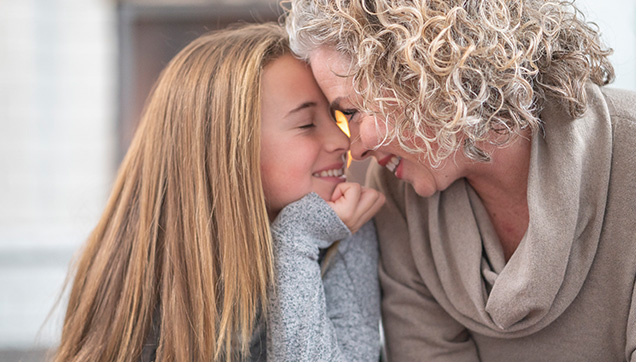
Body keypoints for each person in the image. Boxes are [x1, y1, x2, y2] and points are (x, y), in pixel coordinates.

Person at [286, 0, 636, 361]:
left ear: (421, 74)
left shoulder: (628, 153)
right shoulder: (396, 193)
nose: (355, 150)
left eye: (352, 113)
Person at [51, 23, 384, 362]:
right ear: (226, 152)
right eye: (307, 124)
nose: (344, 142)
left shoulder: (342, 234)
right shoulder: (139, 268)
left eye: (335, 117)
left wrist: (297, 240)